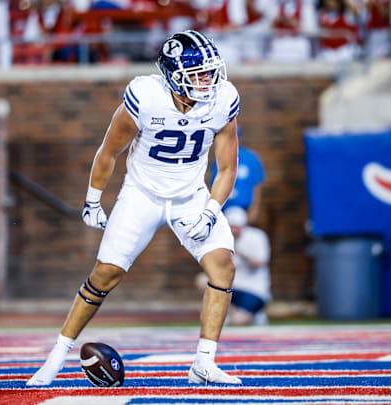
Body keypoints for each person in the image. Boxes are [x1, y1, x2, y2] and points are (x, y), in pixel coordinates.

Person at [28, 30, 242, 386]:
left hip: (190, 196)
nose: (208, 81)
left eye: (210, 72)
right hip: (142, 194)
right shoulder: (146, 97)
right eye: (198, 74)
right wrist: (93, 199)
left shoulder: (223, 99)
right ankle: (56, 356)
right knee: (105, 273)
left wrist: (211, 210)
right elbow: (109, 151)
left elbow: (228, 167)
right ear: (174, 74)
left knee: (223, 266)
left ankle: (203, 363)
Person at [222, 207, 271, 326]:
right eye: (231, 227)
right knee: (204, 281)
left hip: (254, 290)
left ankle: (255, 312)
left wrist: (241, 254)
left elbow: (260, 263)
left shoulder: (257, 236)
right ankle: (227, 313)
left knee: (238, 321)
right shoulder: (223, 238)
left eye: (236, 227)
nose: (233, 230)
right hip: (232, 287)